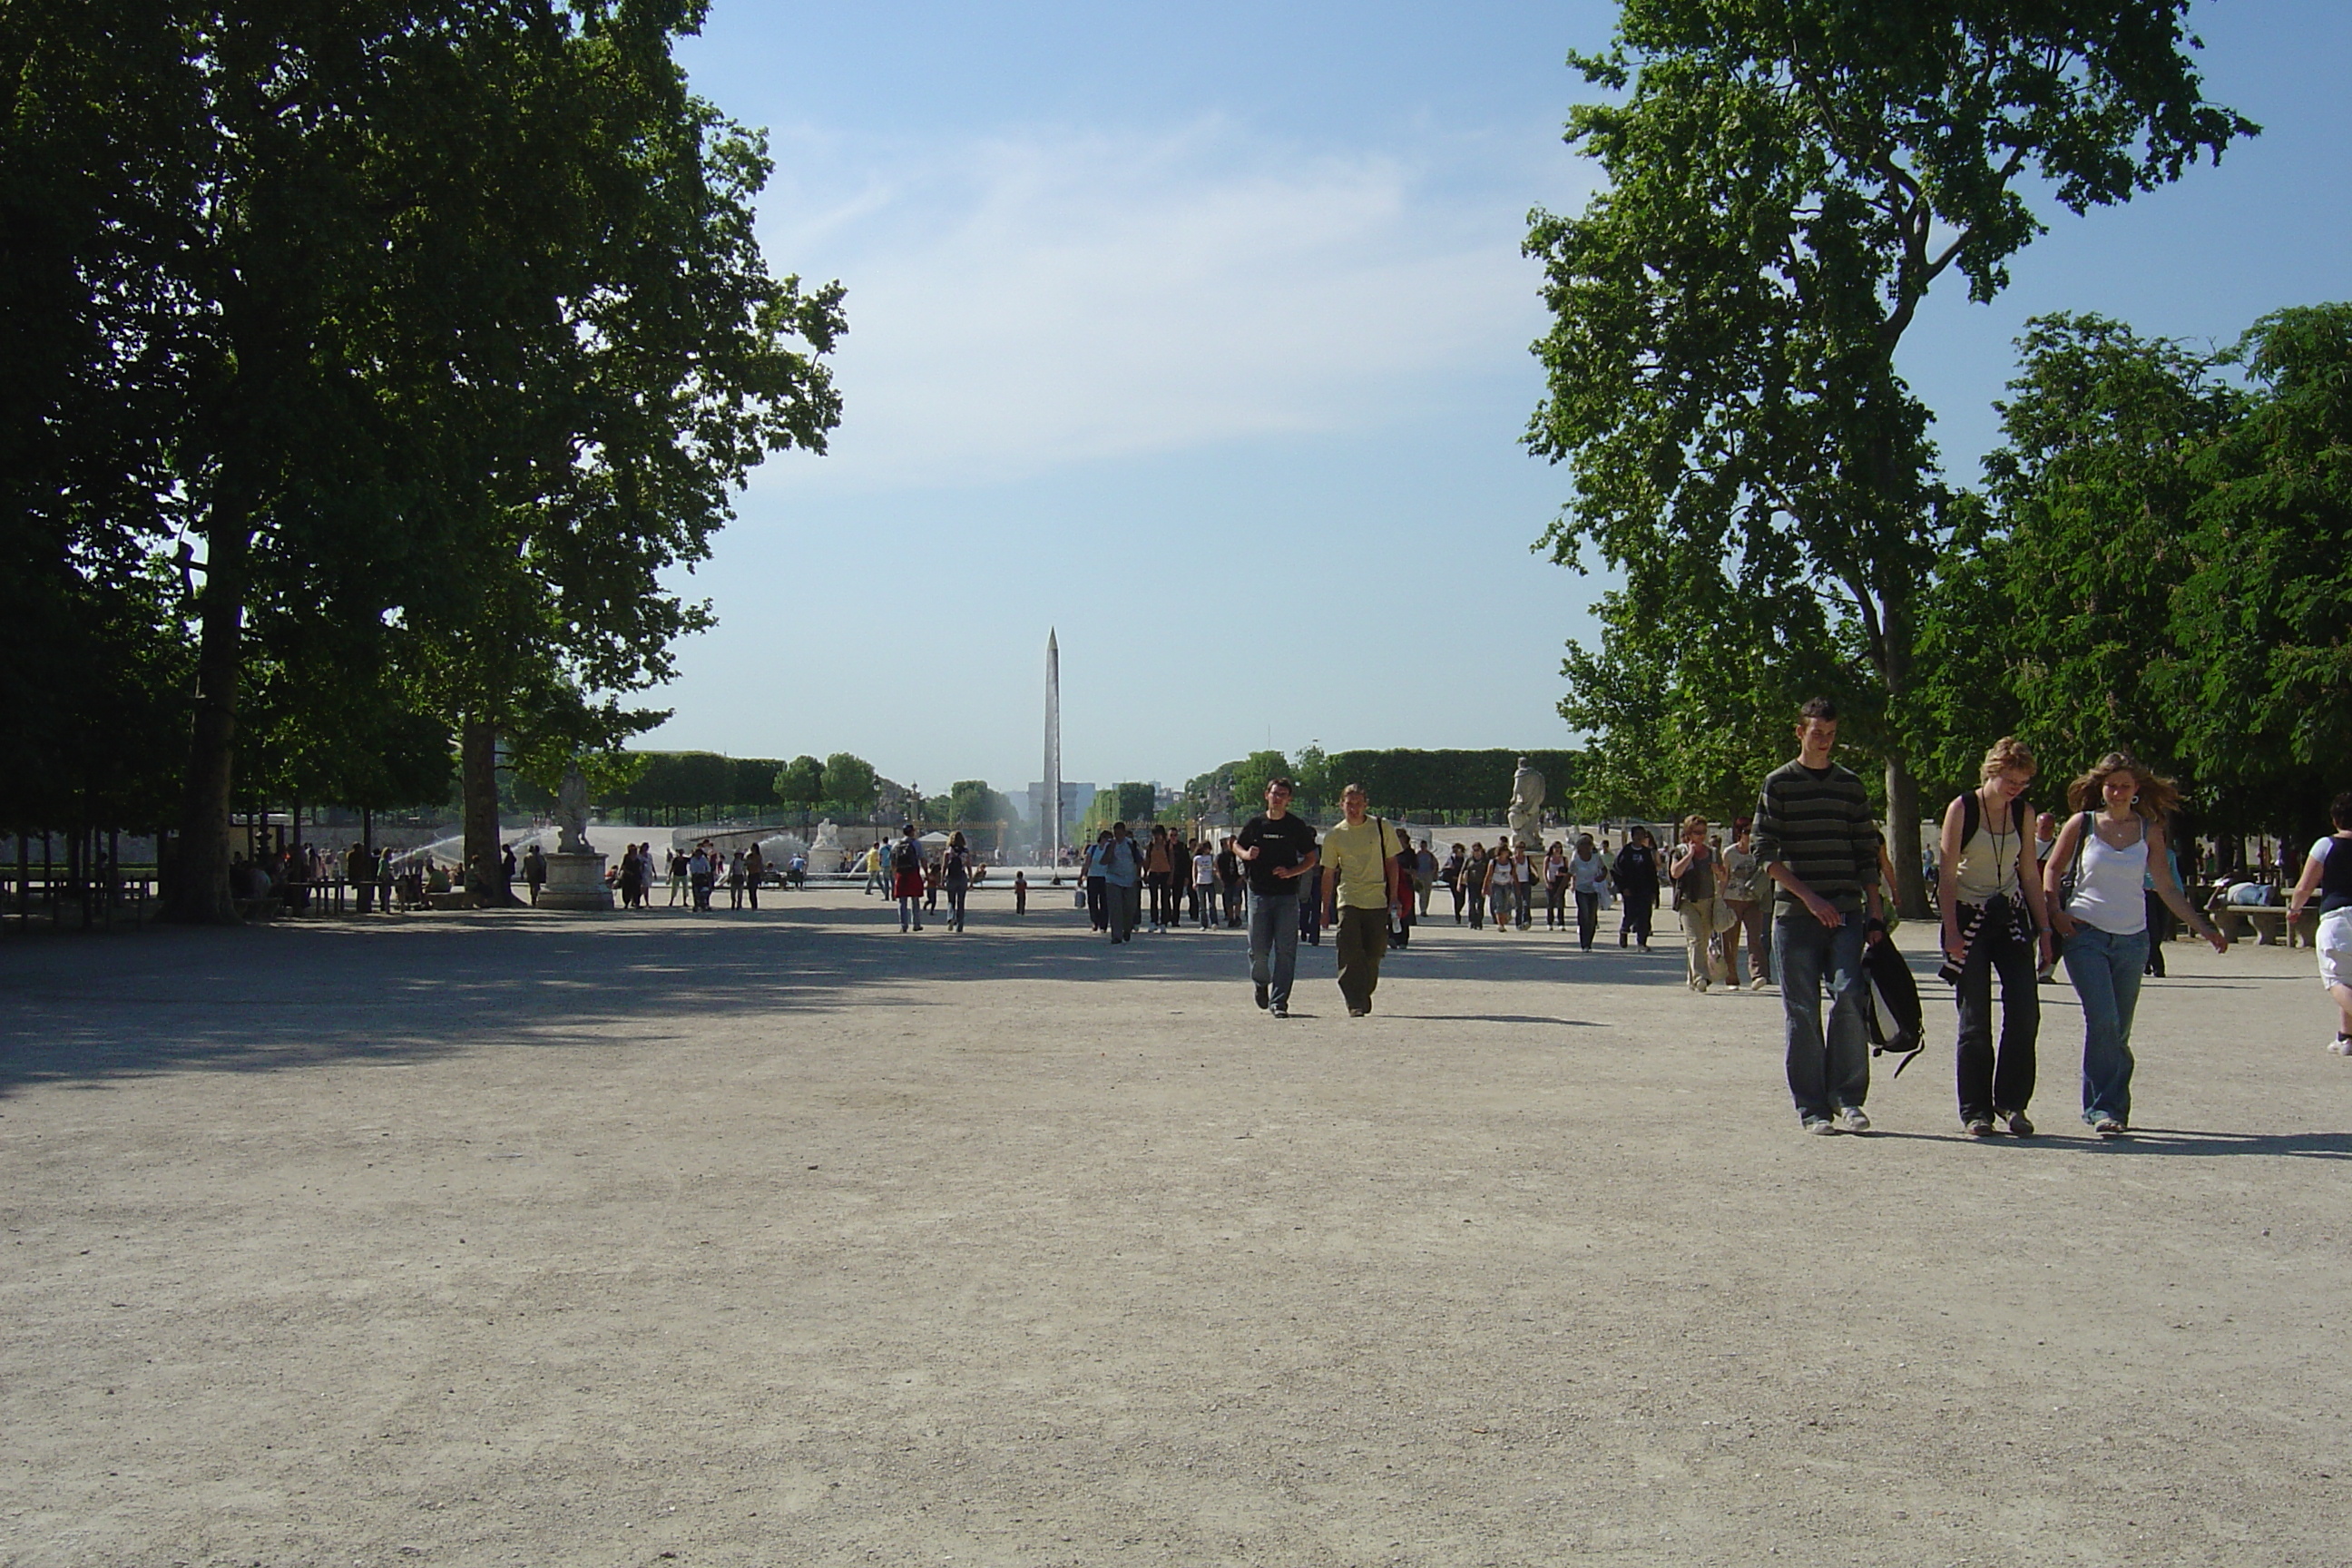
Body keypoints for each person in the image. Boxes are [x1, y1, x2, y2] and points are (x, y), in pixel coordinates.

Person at [2045, 750, 2228, 1136]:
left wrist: (2203, 926)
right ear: (2101, 788)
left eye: (2124, 786)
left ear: (2136, 790)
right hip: (2086, 934)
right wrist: (2055, 914)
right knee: (2103, 1019)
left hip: (2132, 939)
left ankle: (2113, 1106)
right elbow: (2052, 869)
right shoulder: (2083, 825)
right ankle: (2102, 1109)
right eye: (2111, 785)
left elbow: (2165, 886)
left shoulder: (2150, 832)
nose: (2117, 792)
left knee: (2120, 1028)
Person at [1753, 698, 1886, 1135]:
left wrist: (1877, 912)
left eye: (1830, 734)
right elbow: (1764, 853)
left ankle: (1847, 1096)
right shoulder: (1779, 784)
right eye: (1817, 733)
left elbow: (1866, 851)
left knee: (1849, 995)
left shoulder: (1850, 785)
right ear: (1800, 733)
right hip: (1797, 915)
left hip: (1846, 909)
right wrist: (1808, 897)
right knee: (1802, 1009)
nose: (1825, 741)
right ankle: (1811, 1106)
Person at [1936, 738, 2054, 1138]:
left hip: (2009, 917)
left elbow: (2029, 875)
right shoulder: (1963, 808)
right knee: (1975, 1019)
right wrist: (1951, 931)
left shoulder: (2023, 812)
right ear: (1992, 771)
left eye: (2023, 782)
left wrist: (2046, 930)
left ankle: (2012, 1102)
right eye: (2010, 779)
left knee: (2025, 1011)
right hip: (1968, 916)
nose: (2016, 788)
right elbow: (1947, 875)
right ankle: (1975, 1110)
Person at [1234, 778, 1318, 1016]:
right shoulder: (1256, 824)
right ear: (1266, 795)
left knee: (1286, 950)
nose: (1278, 798)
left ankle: (1279, 1001)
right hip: (1258, 892)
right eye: (1274, 793)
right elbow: (1236, 846)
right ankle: (1261, 983)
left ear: (1289, 799)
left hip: (1286, 895)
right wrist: (1246, 854)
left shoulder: (1295, 826)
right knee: (1258, 949)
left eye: (1283, 794)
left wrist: (1292, 872)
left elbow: (1312, 857)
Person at [1321, 783, 1406, 1017]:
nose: (1354, 808)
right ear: (1341, 805)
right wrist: (1325, 908)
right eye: (1350, 803)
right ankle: (1353, 999)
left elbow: (1392, 863)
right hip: (1348, 897)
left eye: (1358, 803)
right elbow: (1328, 873)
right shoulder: (1335, 835)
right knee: (1349, 950)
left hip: (1377, 898)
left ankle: (1364, 989)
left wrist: (1394, 895)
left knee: (1374, 951)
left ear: (1366, 805)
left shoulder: (1381, 827)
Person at [2284, 793, 2352, 1055]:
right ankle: (2346, 1037)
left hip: (2339, 918)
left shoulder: (2326, 845)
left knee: (2336, 980)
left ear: (2335, 819)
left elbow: (2304, 885)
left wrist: (2294, 909)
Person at [1669, 815, 1724, 992]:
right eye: (1697, 832)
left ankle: (1692, 977)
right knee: (1694, 939)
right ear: (1688, 833)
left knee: (1704, 940)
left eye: (1703, 832)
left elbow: (1724, 877)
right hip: (1687, 901)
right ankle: (1701, 977)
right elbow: (1675, 873)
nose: (1701, 836)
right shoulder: (1679, 851)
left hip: (1708, 901)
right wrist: (1690, 855)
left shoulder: (1713, 853)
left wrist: (1719, 872)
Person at [1720, 818, 1770, 989]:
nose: (1750, 836)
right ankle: (1731, 977)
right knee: (1730, 940)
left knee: (1755, 938)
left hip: (1753, 900)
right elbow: (1724, 877)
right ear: (1739, 833)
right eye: (1747, 831)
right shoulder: (1729, 853)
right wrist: (1719, 900)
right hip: (1732, 899)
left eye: (1753, 832)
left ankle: (1757, 975)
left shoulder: (1759, 852)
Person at [1096, 821, 1143, 943]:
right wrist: (1111, 848)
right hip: (1113, 879)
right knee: (1115, 908)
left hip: (1130, 879)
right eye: (1115, 834)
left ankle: (1127, 929)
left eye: (1120, 834)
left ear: (1124, 832)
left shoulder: (1131, 844)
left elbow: (1139, 860)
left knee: (1129, 908)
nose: (1117, 836)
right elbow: (1103, 861)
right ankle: (1116, 935)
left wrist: (1139, 875)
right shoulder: (1110, 845)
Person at [1613, 828, 1660, 948]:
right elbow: (1617, 871)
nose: (1640, 837)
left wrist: (1654, 891)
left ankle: (1641, 942)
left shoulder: (1646, 853)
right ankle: (1624, 931)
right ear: (1632, 836)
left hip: (1644, 889)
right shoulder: (1625, 852)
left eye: (1642, 835)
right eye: (1637, 835)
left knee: (1645, 914)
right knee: (1631, 913)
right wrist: (1623, 887)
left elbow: (1652, 872)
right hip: (1630, 889)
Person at [1567, 833, 1610, 950]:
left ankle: (1589, 941)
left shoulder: (1596, 858)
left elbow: (1604, 869)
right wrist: (1559, 892)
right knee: (1584, 915)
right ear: (1579, 847)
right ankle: (1584, 943)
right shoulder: (1576, 861)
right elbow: (1569, 875)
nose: (1587, 847)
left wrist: (1601, 877)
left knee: (1592, 917)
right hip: (1581, 890)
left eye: (1588, 845)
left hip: (1593, 889)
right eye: (1584, 845)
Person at [890, 824, 926, 931]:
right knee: (915, 900)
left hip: (901, 874)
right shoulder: (916, 844)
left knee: (902, 901)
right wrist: (926, 873)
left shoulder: (896, 844)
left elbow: (892, 861)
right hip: (913, 872)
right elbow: (922, 859)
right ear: (912, 832)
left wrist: (894, 874)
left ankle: (903, 925)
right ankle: (916, 924)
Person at [941, 831, 973, 931]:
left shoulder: (947, 852)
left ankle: (950, 918)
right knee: (961, 902)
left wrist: (942, 880)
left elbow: (944, 866)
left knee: (951, 900)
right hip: (962, 876)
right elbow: (968, 866)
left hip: (951, 877)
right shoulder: (966, 852)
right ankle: (960, 925)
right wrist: (971, 880)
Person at [1543, 840, 1570, 930]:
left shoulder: (1564, 859)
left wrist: (1562, 874)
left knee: (1560, 903)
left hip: (1560, 882)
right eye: (1555, 847)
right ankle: (1549, 922)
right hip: (1551, 881)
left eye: (1559, 847)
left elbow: (1568, 872)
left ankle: (1561, 922)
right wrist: (1546, 882)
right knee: (1550, 903)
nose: (1557, 849)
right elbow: (1544, 871)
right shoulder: (1548, 858)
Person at [1191, 838, 1218, 930]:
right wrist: (1194, 882)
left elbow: (1216, 867)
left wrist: (1216, 873)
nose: (1208, 850)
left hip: (1210, 883)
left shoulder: (1211, 857)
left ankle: (1214, 922)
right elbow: (1194, 871)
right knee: (1202, 905)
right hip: (1200, 882)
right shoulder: (1197, 858)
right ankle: (1203, 924)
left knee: (1212, 904)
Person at [1463, 842, 1489, 930]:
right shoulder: (1469, 860)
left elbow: (1489, 872)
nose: (1476, 852)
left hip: (1482, 883)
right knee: (1471, 902)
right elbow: (1463, 870)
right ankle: (1472, 921)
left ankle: (1479, 921)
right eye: (1474, 850)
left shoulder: (1486, 860)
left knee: (1480, 903)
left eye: (1478, 850)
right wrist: (1460, 883)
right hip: (1471, 883)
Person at [1440, 842, 1466, 924]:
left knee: (1462, 899)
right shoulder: (1451, 858)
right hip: (1453, 880)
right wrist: (1449, 867)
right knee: (1456, 898)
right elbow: (1443, 868)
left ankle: (1459, 910)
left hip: (1462, 880)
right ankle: (1457, 915)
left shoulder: (1465, 859)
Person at [744, 844, 765, 910]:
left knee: (753, 890)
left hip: (756, 874)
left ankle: (754, 905)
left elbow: (760, 865)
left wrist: (762, 875)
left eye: (754, 849)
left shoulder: (758, 857)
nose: (752, 850)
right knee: (750, 891)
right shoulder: (749, 856)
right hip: (750, 874)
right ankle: (752, 904)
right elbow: (745, 864)